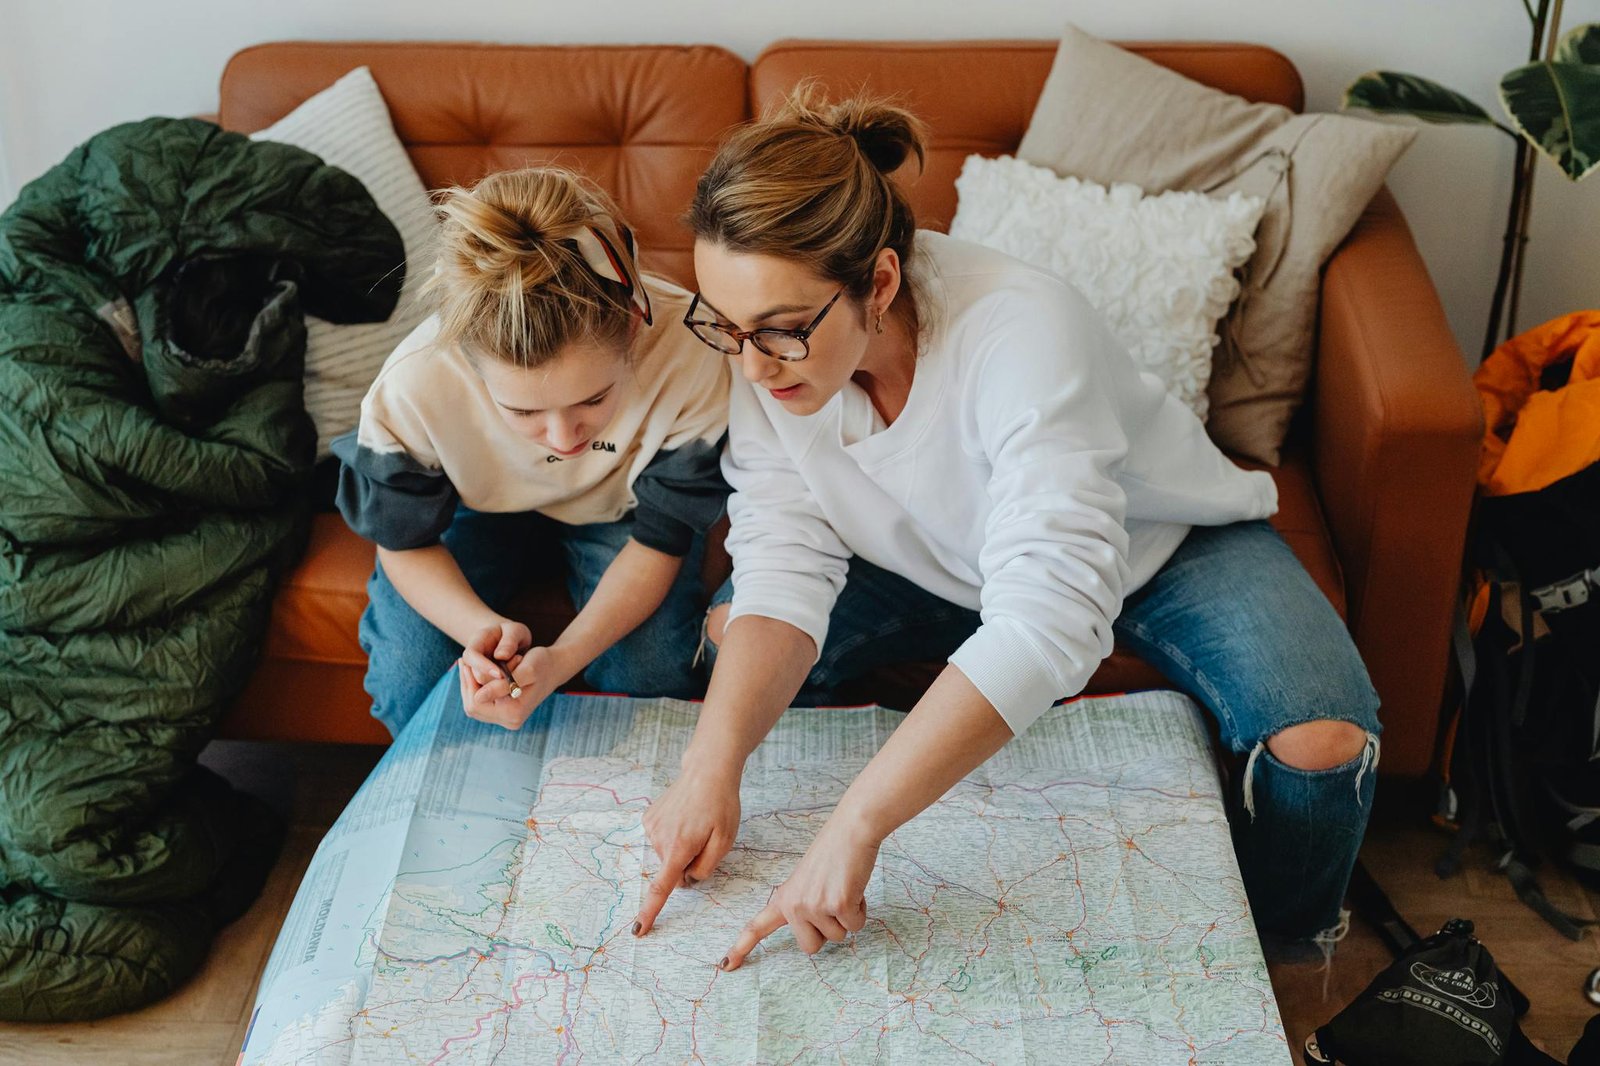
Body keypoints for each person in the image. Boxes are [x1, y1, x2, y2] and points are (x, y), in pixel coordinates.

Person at [632, 89, 1382, 967]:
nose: (753, 366)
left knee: (1321, 751)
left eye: (784, 330)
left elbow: (1048, 613)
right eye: (728, 327)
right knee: (728, 645)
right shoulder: (765, 360)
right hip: (922, 561)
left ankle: (1278, 962)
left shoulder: (1022, 329)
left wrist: (855, 826)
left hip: (1162, 548)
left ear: (879, 282)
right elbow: (783, 560)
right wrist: (707, 771)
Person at [332, 166, 730, 737]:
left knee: (652, 674)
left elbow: (661, 540)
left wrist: (563, 658)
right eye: (522, 412)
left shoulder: (693, 349)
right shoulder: (412, 384)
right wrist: (480, 630)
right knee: (412, 680)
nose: (566, 440)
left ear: (636, 329)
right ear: (466, 362)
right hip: (470, 508)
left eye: (594, 398)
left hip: (626, 511)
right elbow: (404, 542)